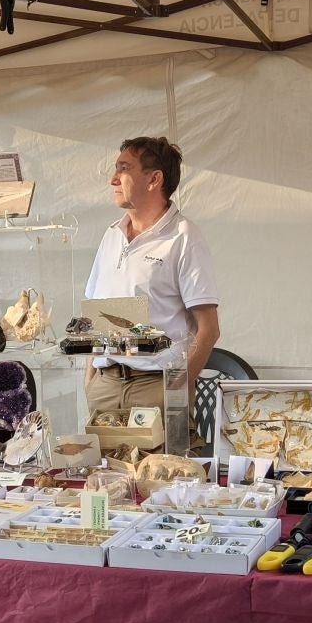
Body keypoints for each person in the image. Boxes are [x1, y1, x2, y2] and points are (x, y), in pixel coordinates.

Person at [84, 136, 221, 418]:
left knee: (160, 451)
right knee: (102, 451)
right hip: (105, 384)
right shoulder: (111, 235)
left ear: (154, 179)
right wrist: (90, 381)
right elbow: (96, 317)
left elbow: (208, 329)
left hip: (155, 385)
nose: (113, 179)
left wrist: (175, 390)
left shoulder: (184, 237)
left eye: (123, 169)